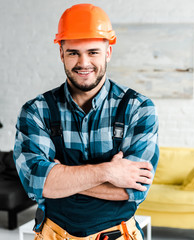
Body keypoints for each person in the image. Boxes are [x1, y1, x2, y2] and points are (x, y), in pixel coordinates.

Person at [13, 3, 159, 240]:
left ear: (108, 52)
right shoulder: (36, 111)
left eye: (93, 52)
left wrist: (61, 176)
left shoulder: (138, 109)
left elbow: (133, 189)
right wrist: (109, 171)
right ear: (61, 53)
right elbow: (35, 181)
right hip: (54, 234)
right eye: (73, 52)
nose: (83, 63)